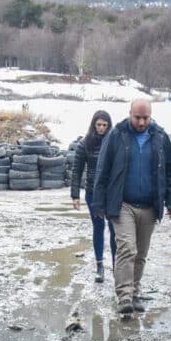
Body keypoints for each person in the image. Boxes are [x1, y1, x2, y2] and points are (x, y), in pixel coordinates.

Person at [92, 98, 171, 314]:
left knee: (140, 253)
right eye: (137, 117)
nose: (141, 122)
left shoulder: (160, 137)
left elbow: (169, 171)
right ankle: (124, 296)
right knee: (126, 249)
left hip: (149, 205)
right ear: (130, 113)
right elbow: (102, 170)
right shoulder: (116, 135)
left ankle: (135, 291)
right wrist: (99, 203)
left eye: (145, 118)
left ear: (151, 115)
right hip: (123, 204)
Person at [71, 110, 116, 283]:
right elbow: (76, 170)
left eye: (105, 125)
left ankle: (116, 265)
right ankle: (99, 266)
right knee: (98, 227)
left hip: (111, 193)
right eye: (98, 125)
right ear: (93, 124)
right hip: (92, 192)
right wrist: (75, 195)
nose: (101, 128)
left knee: (114, 229)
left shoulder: (115, 142)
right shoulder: (85, 144)